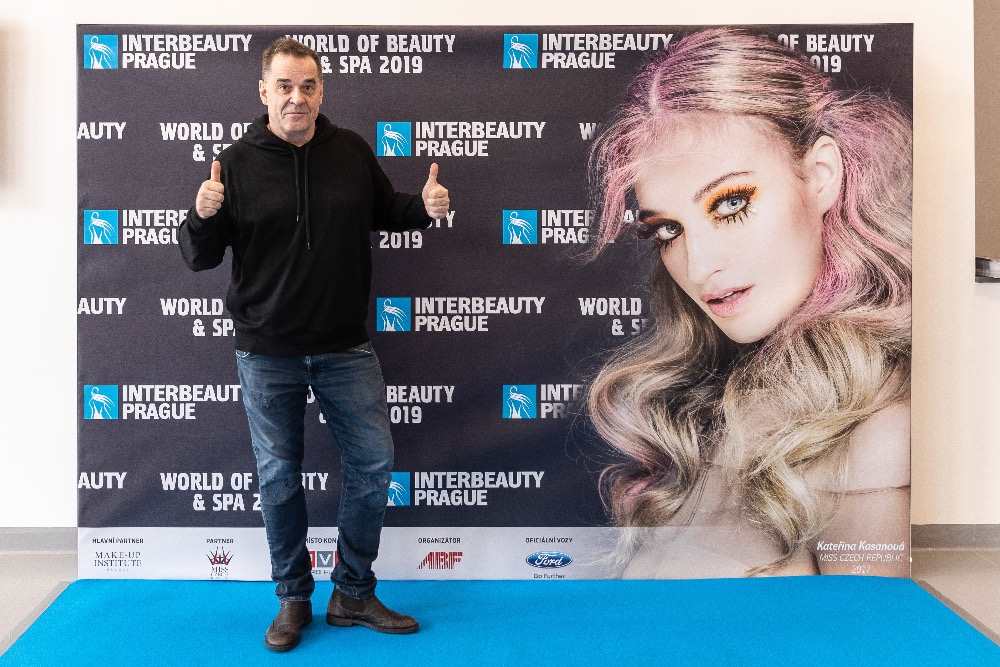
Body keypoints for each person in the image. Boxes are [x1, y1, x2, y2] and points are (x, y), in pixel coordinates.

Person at [586, 28, 911, 578]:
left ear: (821, 176)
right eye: (668, 230)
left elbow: (869, 624)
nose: (698, 265)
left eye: (730, 203)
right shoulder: (711, 407)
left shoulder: (876, 434)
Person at [178, 37, 450, 652]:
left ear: (322, 90)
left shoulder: (349, 150)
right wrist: (201, 213)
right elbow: (198, 257)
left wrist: (425, 207)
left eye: (307, 86)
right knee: (278, 478)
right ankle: (293, 598)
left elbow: (388, 209)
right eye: (284, 86)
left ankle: (352, 592)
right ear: (264, 91)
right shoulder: (234, 163)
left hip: (344, 348)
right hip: (266, 351)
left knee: (374, 465)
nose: (296, 97)